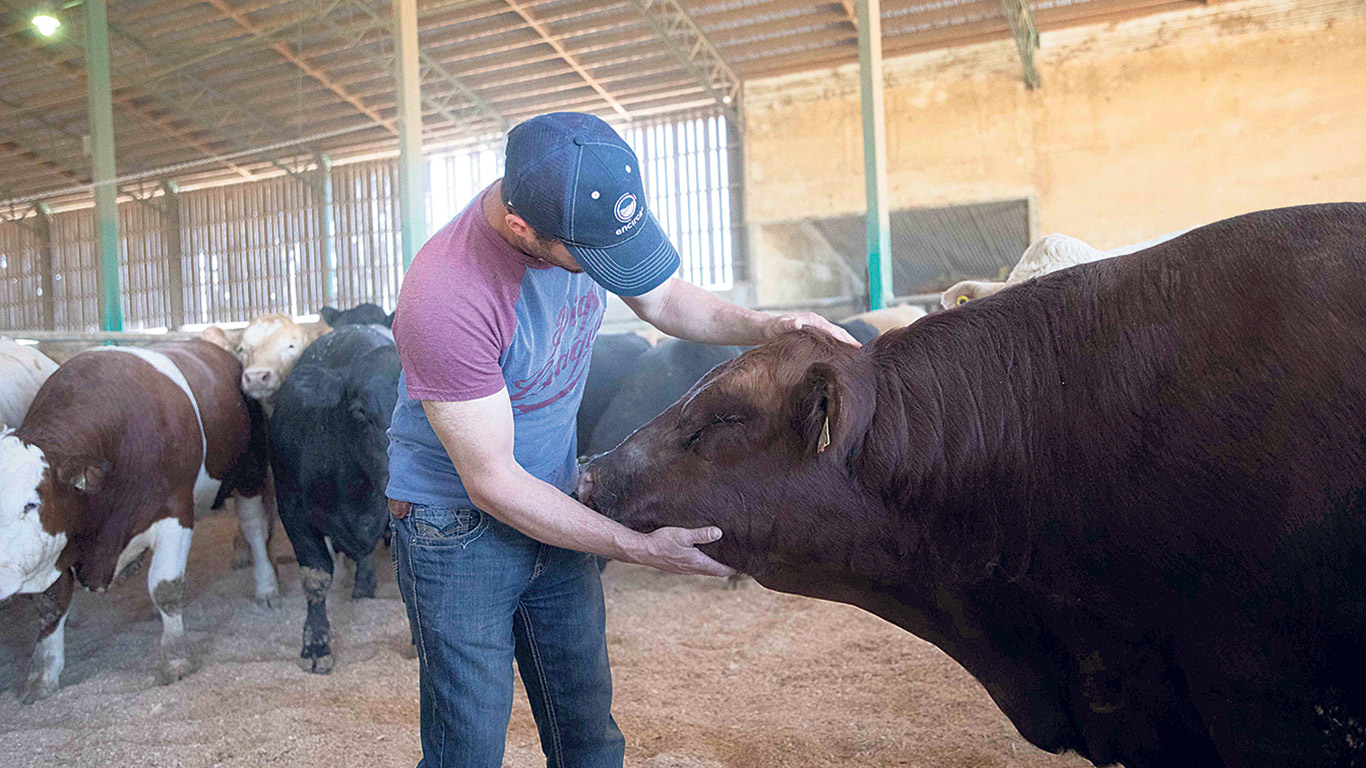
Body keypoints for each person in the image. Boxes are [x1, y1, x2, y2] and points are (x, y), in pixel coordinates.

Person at [386, 111, 858, 768]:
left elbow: (661, 299)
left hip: (554, 493)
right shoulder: (447, 296)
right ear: (522, 229)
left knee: (588, 736)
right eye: (593, 259)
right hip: (457, 527)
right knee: (468, 748)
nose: (605, 271)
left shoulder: (586, 206)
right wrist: (639, 546)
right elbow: (491, 481)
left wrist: (768, 324)